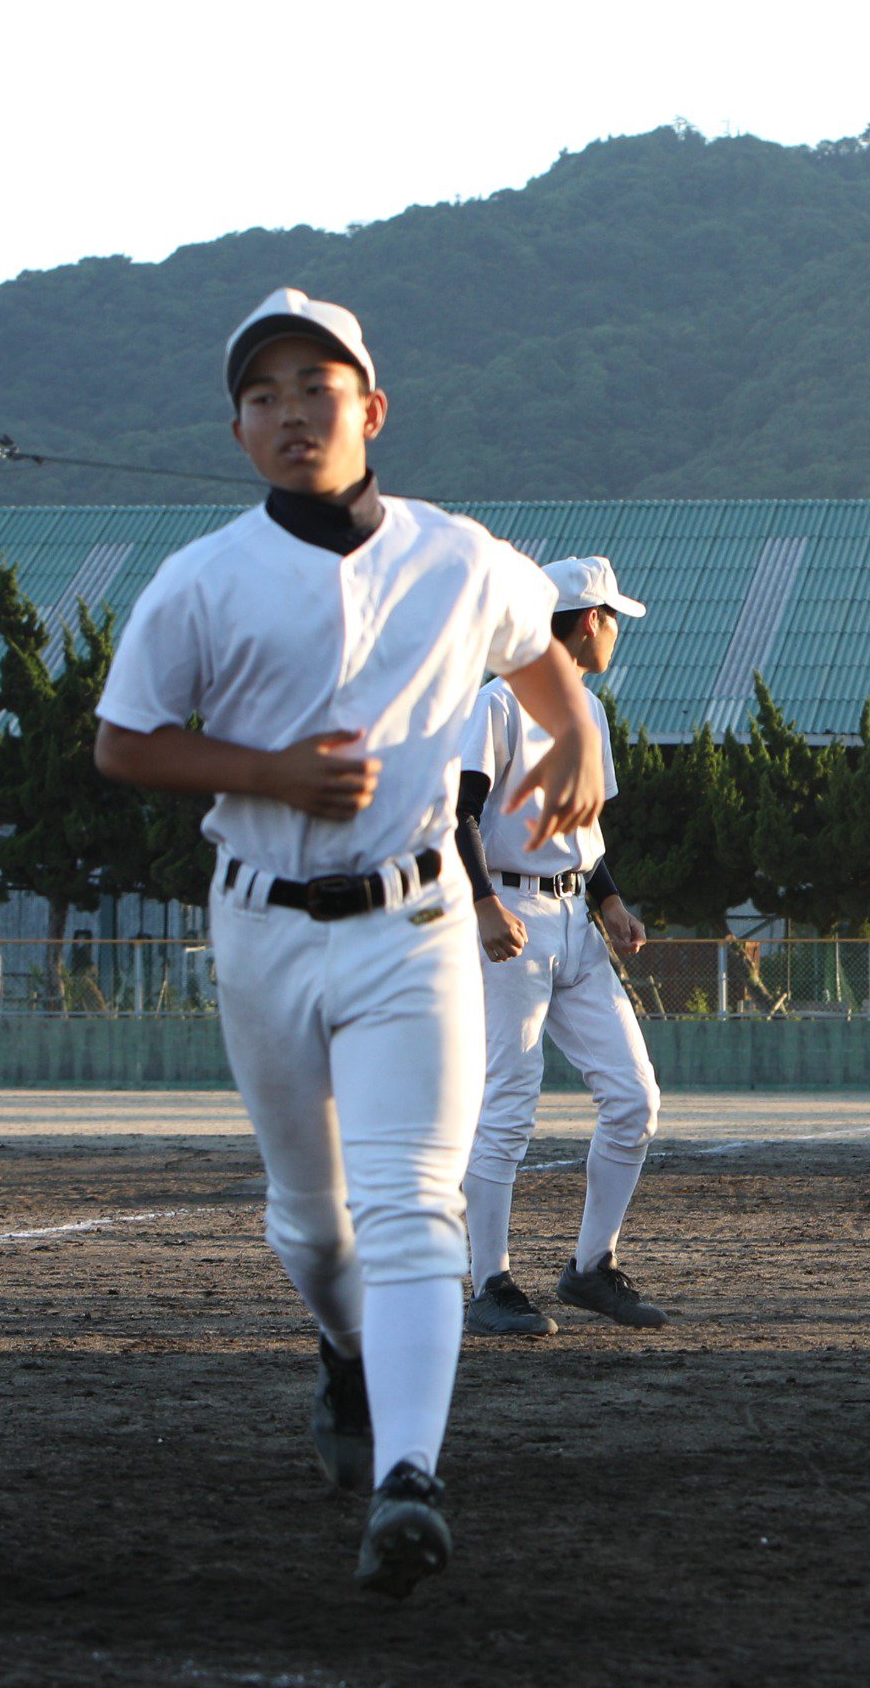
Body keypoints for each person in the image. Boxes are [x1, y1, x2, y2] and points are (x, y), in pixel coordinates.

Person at [93, 290, 604, 1597]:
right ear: (237, 428)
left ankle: (410, 1476)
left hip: (416, 918)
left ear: (370, 410)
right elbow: (126, 740)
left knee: (413, 1204)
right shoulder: (201, 577)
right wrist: (263, 767)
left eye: (315, 387)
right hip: (263, 919)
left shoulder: (460, 557)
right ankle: (341, 1351)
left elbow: (539, 653)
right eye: (262, 394)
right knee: (314, 1229)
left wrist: (582, 733)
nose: (289, 411)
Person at [457, 556, 669, 1337]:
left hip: (575, 918)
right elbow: (459, 811)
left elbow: (586, 833)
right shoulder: (500, 701)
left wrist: (610, 901)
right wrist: (482, 904)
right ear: (588, 622)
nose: (617, 631)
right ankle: (489, 1284)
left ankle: (589, 1268)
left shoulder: (588, 713)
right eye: (613, 618)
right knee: (508, 1106)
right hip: (509, 914)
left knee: (634, 1099)